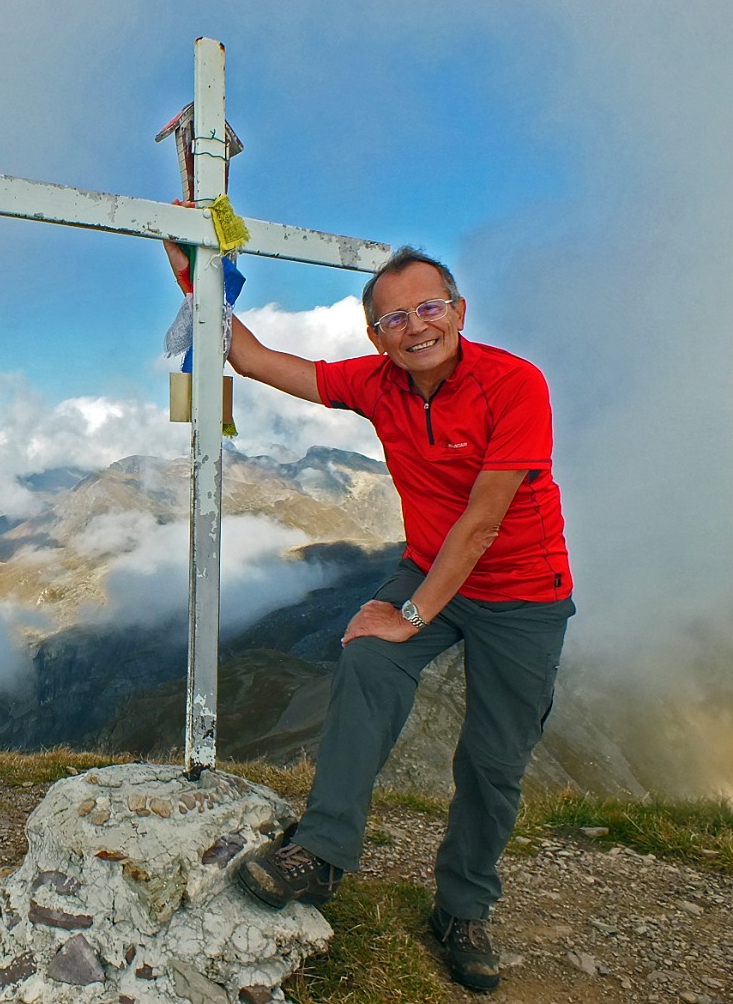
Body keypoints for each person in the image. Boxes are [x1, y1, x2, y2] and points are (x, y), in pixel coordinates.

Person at [224, 248, 575, 992]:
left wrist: (410, 613)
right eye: (394, 317)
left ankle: (462, 908)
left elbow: (483, 524)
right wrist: (189, 251)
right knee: (366, 660)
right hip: (430, 563)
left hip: (521, 589)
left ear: (458, 311)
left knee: (493, 759)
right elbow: (252, 359)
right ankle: (320, 853)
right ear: (375, 334)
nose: (416, 326)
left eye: (429, 307)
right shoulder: (376, 383)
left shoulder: (514, 383)